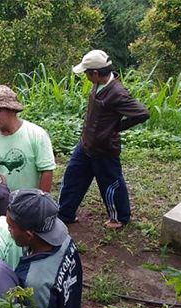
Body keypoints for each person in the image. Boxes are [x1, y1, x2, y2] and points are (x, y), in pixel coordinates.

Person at [58, 50, 150, 229]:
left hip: (104, 149)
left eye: (86, 73)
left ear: (95, 73)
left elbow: (142, 113)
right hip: (86, 144)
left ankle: (120, 217)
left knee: (110, 184)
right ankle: (64, 213)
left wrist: (117, 127)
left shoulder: (117, 92)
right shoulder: (98, 84)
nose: (85, 76)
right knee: (71, 179)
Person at [0, 85, 56, 192]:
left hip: (28, 202)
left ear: (12, 110)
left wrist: (40, 200)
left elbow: (46, 170)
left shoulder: (36, 135)